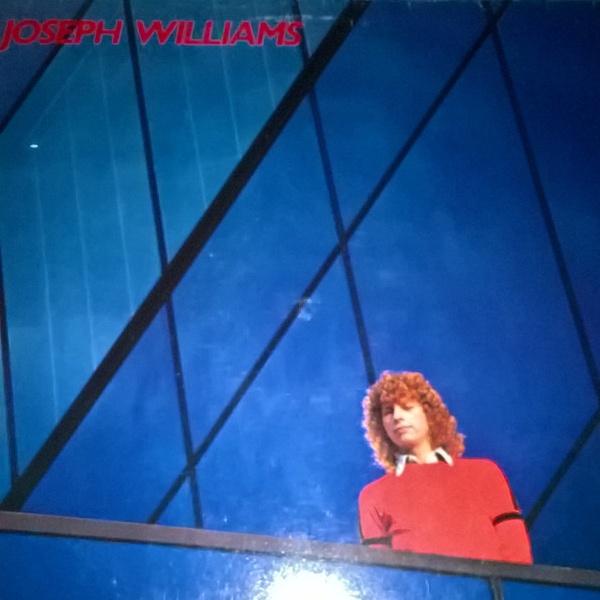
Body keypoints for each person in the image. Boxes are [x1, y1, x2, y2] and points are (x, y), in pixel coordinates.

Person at [359, 371, 533, 564]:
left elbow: (518, 558)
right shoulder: (373, 495)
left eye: (407, 407)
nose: (397, 417)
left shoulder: (485, 473)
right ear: (380, 425)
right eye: (388, 412)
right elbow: (380, 574)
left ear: (429, 414)